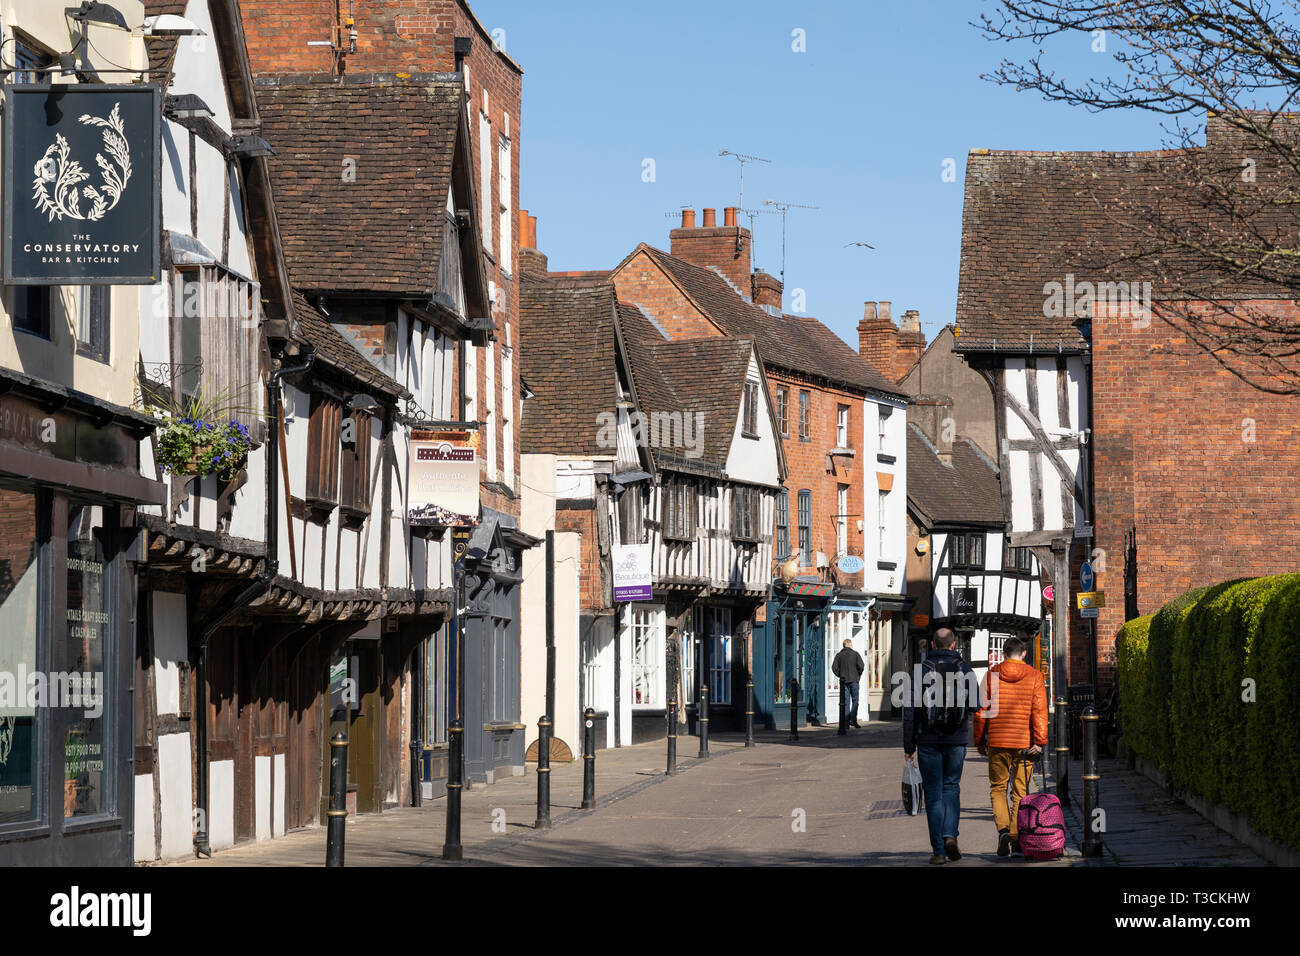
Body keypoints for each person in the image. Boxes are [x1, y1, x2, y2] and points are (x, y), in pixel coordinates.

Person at [903, 628, 978, 864]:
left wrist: (909, 745)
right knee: (951, 787)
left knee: (933, 794)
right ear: (954, 645)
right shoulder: (966, 670)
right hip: (956, 739)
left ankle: (938, 851)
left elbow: (909, 712)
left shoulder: (919, 671)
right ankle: (950, 835)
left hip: (927, 740)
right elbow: (975, 705)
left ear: (933, 646)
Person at [973, 636, 1049, 857]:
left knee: (998, 789)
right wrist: (1040, 741)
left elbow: (981, 713)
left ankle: (1003, 830)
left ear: (1004, 653)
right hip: (1024, 743)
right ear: (1023, 653)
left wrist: (979, 740)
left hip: (997, 741)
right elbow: (1039, 711)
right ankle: (1016, 838)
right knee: (1020, 792)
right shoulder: (1034, 676)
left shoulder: (992, 675)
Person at [830, 638, 865, 727]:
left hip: (844, 682)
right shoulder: (855, 654)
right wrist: (858, 675)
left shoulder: (839, 655)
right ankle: (853, 720)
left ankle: (846, 723)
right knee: (855, 701)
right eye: (851, 644)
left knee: (846, 702)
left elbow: (834, 668)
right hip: (854, 680)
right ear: (849, 645)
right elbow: (861, 666)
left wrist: (840, 675)